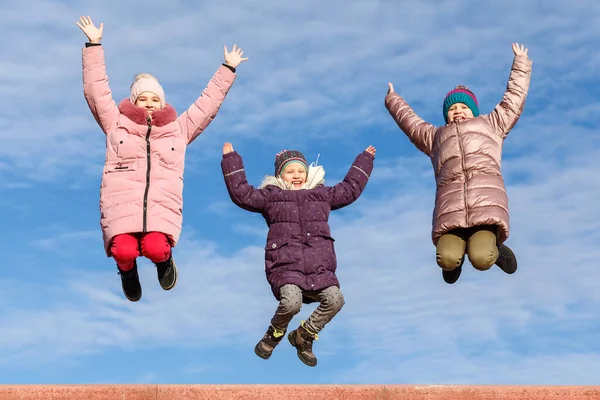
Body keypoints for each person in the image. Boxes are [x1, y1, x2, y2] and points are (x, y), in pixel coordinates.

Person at [77, 15, 248, 301]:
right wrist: (93, 44)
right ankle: (127, 272)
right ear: (133, 101)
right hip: (121, 205)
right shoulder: (115, 123)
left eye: (154, 99)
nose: (149, 104)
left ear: (162, 102)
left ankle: (165, 263)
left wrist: (227, 69)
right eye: (142, 99)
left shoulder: (178, 129)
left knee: (157, 247)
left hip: (161, 210)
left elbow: (206, 106)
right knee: (123, 250)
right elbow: (96, 92)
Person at [385, 43, 532, 284]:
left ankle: (496, 249)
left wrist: (521, 63)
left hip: (485, 207)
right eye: (452, 108)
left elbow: (513, 100)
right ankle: (455, 259)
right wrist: (393, 99)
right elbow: (410, 123)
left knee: (482, 258)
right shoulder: (435, 137)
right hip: (450, 212)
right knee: (446, 259)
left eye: (464, 107)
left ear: (474, 110)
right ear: (446, 114)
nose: (458, 111)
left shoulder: (491, 125)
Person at [221, 142, 375, 366]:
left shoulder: (321, 195)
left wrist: (364, 160)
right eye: (290, 171)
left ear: (307, 172)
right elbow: (242, 193)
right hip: (286, 266)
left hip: (319, 268)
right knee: (291, 303)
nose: (296, 175)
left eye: (300, 171)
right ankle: (275, 332)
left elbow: (349, 189)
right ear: (280, 175)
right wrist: (231, 159)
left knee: (336, 300)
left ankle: (304, 335)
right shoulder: (271, 197)